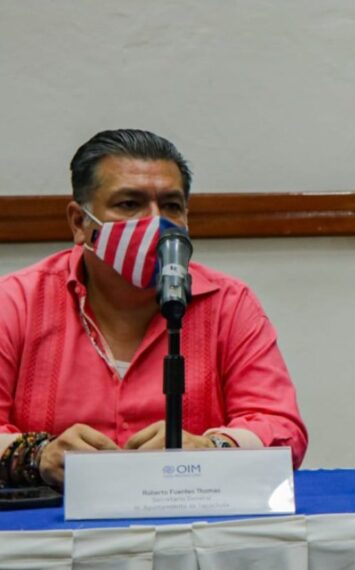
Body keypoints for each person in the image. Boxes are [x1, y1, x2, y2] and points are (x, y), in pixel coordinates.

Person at [0, 129, 307, 489]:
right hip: (49, 528)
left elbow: (282, 429)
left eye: (172, 206)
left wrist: (212, 448)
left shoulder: (229, 304)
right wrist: (38, 456)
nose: (155, 222)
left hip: (191, 521)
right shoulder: (16, 302)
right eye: (129, 204)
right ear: (80, 222)